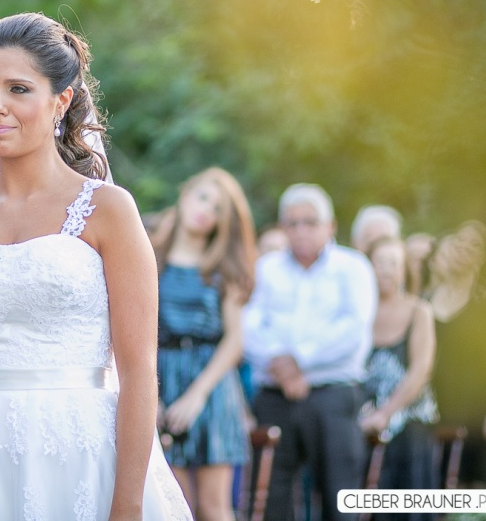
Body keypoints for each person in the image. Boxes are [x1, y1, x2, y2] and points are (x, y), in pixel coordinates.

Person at [0, 12, 192, 519]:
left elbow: (137, 370)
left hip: (80, 452)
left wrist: (127, 503)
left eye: (18, 88)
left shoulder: (109, 209)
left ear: (60, 100)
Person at [243, 183, 377, 521]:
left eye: (310, 221)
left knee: (339, 494)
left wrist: (296, 360)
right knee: (270, 495)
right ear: (282, 227)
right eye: (292, 222)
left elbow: (354, 329)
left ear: (330, 226)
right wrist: (281, 366)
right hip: (274, 395)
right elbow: (249, 324)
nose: (301, 230)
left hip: (333, 395)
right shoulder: (266, 268)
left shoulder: (353, 267)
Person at [149, 167, 255, 521]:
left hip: (211, 388)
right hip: (160, 377)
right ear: (185, 194)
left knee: (214, 509)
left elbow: (235, 341)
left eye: (218, 208)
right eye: (203, 197)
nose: (206, 209)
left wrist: (197, 395)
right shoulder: (149, 256)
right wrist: (151, 394)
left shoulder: (223, 268)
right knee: (173, 506)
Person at [426, 227, 486, 487]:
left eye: (473, 245)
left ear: (482, 257)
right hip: (437, 408)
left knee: (477, 490)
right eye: (458, 242)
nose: (463, 248)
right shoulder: (426, 300)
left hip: (479, 409)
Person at [359, 236, 438, 517]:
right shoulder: (358, 311)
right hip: (361, 423)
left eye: (393, 263)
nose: (386, 270)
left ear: (404, 270)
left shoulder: (419, 311)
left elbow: (421, 370)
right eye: (379, 262)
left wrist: (386, 413)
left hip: (408, 422)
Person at [403, 232, 436, 296]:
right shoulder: (397, 292)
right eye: (414, 258)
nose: (419, 265)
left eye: (424, 259)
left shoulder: (438, 294)